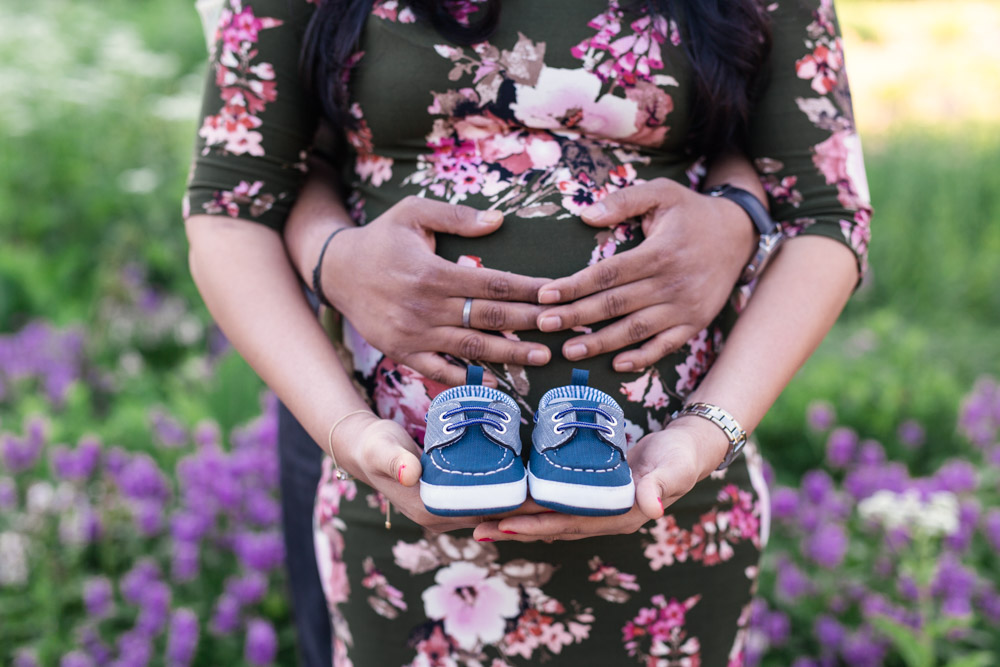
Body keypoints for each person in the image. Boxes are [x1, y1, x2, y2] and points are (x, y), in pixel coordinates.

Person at [183, 1, 871, 665]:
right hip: (401, 504)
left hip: (678, 500)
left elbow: (826, 212)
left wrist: (706, 431)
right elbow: (230, 204)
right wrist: (345, 425)